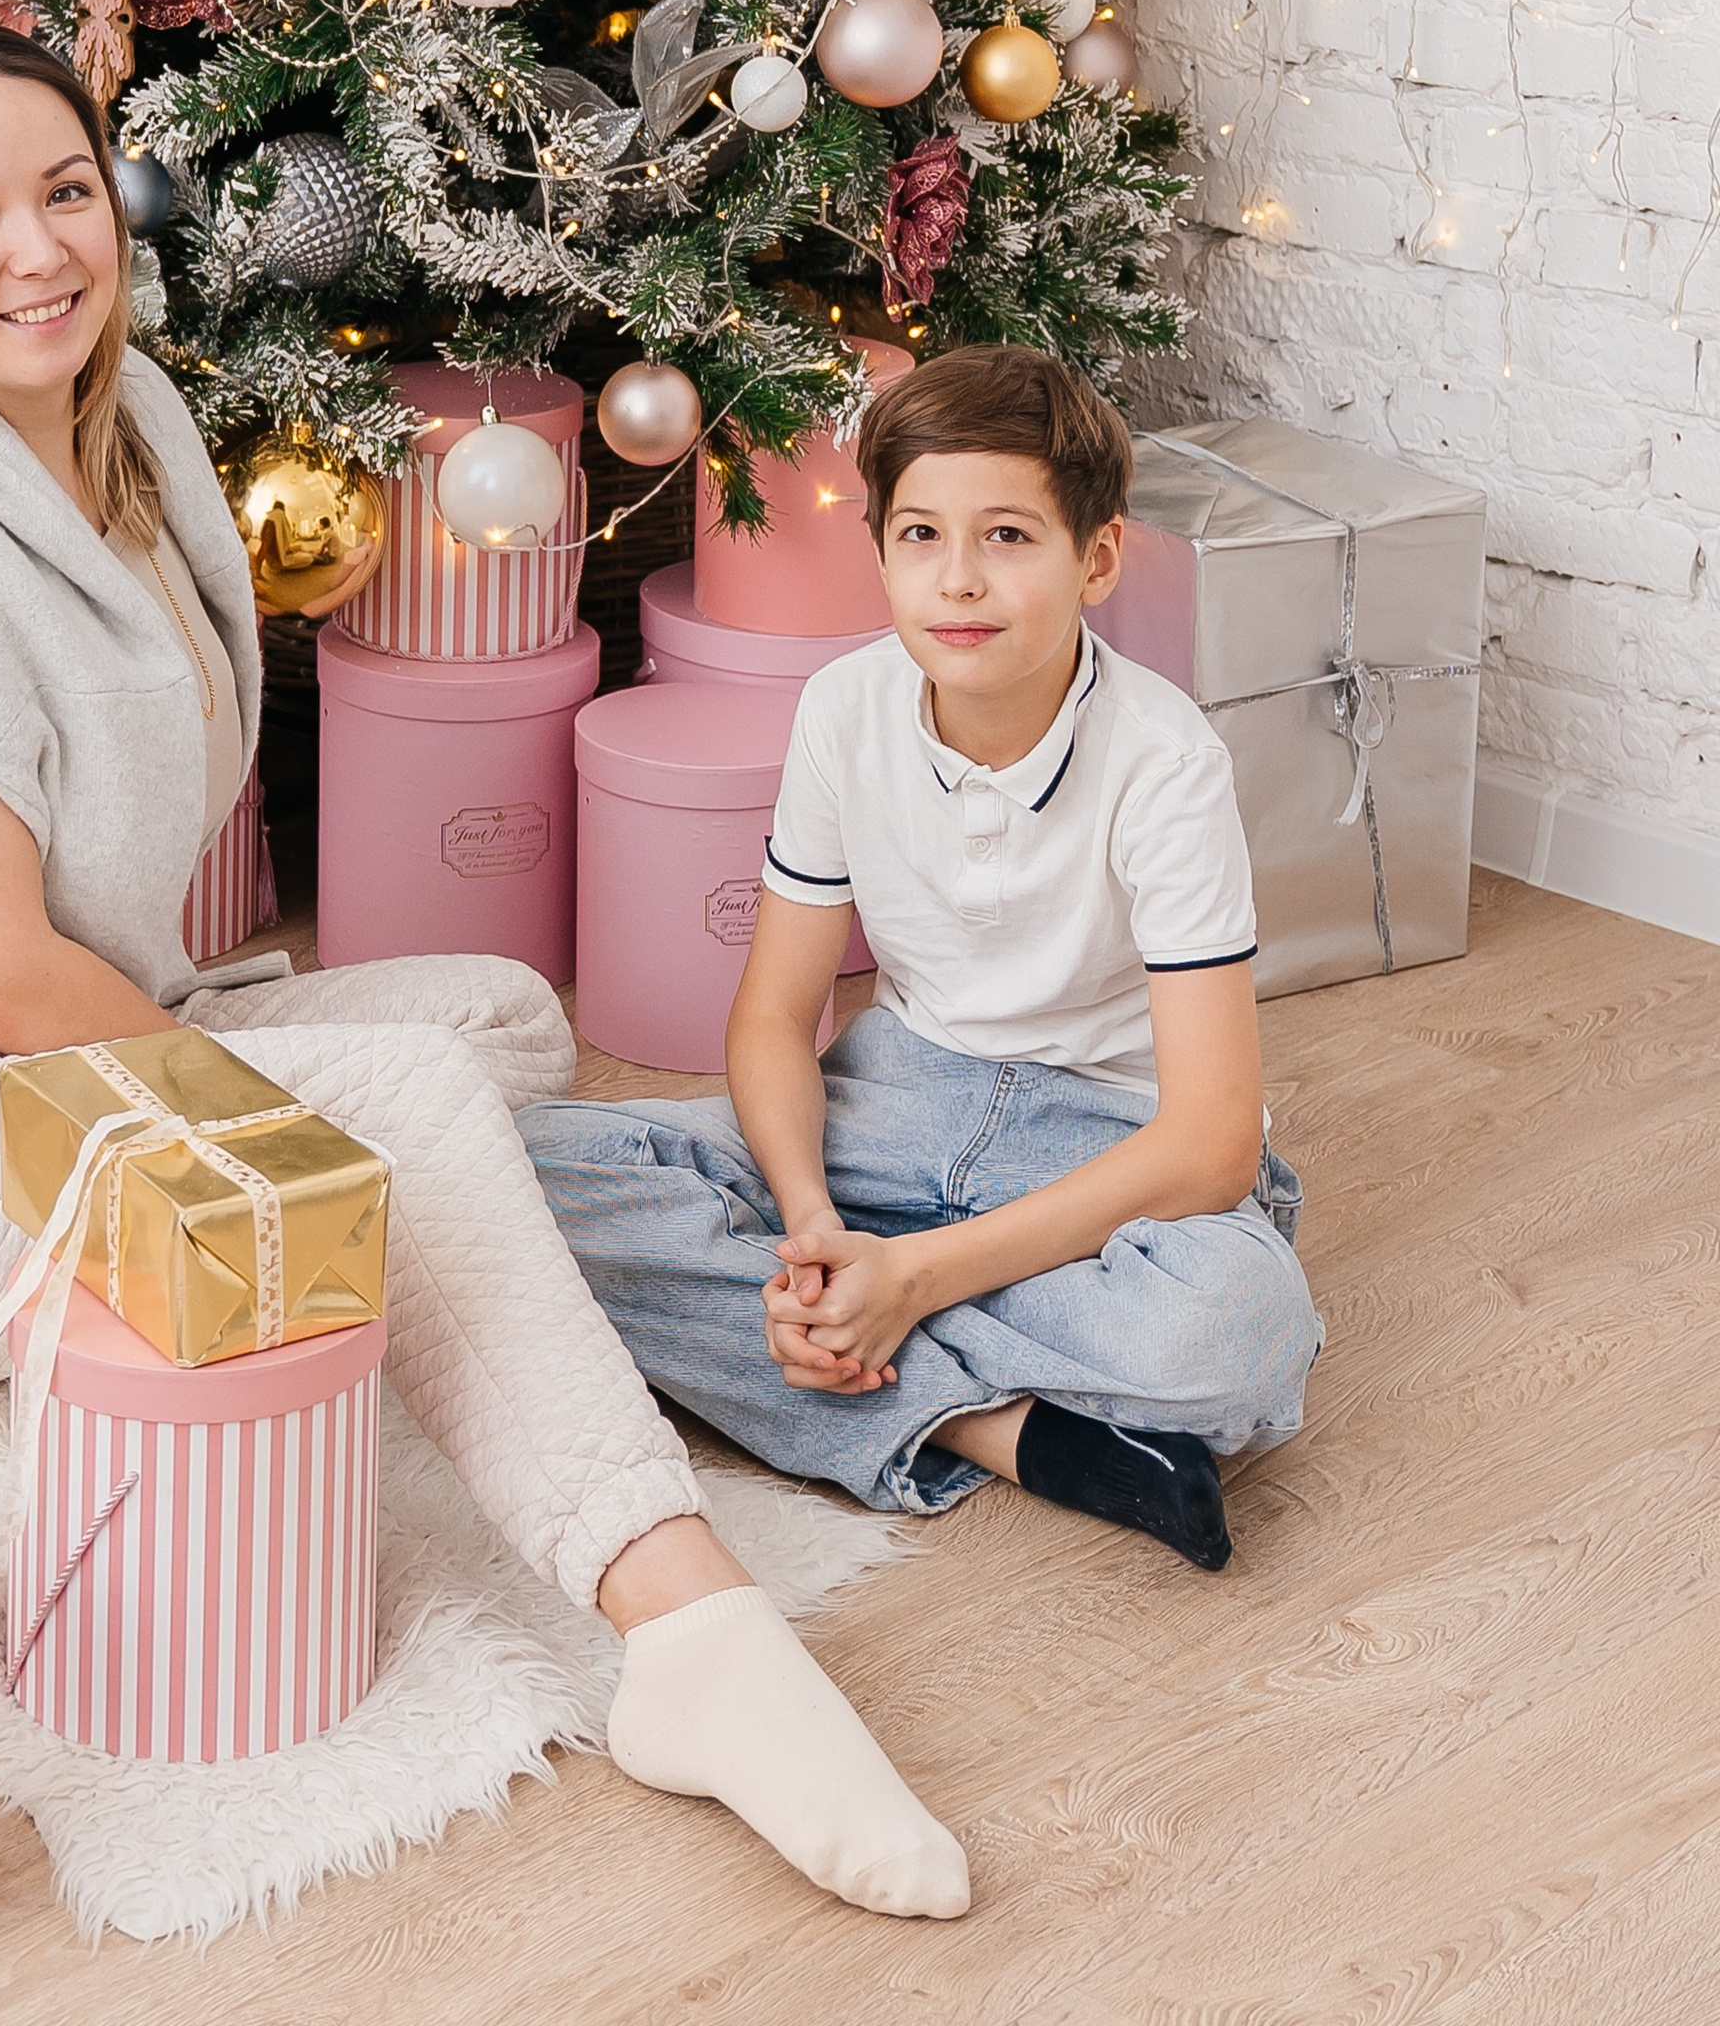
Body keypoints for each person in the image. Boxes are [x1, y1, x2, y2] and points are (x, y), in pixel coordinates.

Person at [0, 26, 967, 1921]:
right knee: (407, 1117)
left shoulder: (119, 440)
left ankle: (726, 1263)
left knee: (488, 1022)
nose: (38, 253)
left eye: (67, 192)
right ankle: (696, 1636)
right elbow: (4, 974)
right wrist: (312, 1141)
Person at [519, 344, 1322, 1571]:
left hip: (1110, 1141)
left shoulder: (1166, 763)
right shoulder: (844, 707)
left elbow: (1211, 1142)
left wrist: (909, 1278)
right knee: (517, 1175)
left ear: (1093, 559)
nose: (958, 582)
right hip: (896, 1105)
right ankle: (1009, 1430)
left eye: (1008, 537)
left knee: (1233, 1336)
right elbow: (776, 1021)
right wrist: (811, 1229)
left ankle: (871, 1337)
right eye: (919, 537)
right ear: (881, 549)